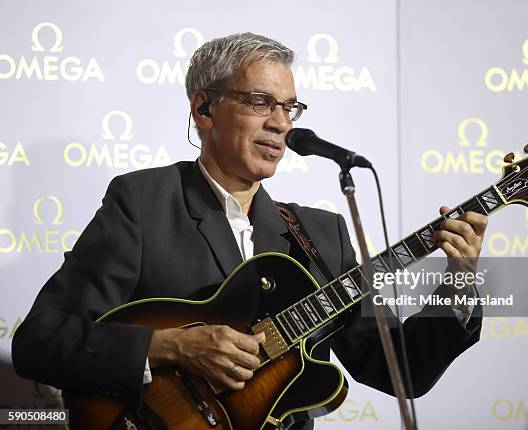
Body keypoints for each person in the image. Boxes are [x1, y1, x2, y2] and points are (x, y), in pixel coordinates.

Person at [12, 33, 488, 429]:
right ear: (204, 109)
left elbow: (401, 373)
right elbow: (39, 341)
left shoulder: (322, 234)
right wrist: (171, 345)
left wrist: (460, 281)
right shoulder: (143, 202)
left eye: (290, 107)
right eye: (260, 102)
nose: (280, 124)